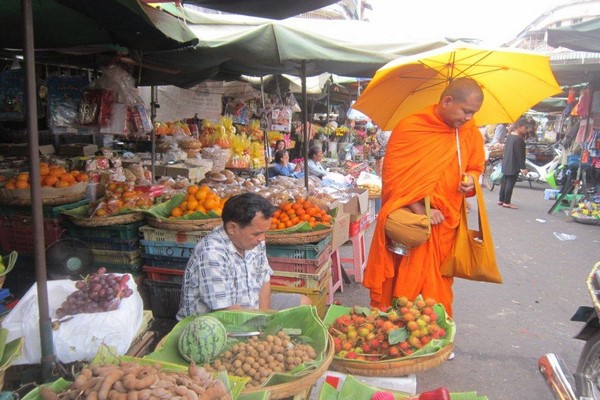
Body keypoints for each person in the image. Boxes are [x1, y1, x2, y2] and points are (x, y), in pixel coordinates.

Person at [362, 77, 486, 319]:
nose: (469, 118)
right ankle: (399, 328)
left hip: (446, 222)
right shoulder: (411, 127)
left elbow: (476, 167)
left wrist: (470, 180)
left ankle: (434, 331)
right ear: (447, 101)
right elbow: (394, 176)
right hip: (414, 223)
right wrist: (421, 208)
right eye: (466, 111)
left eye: (473, 113)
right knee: (404, 276)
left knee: (438, 280)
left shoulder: (469, 133)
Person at [177, 193, 311, 320]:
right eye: (257, 234)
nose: (262, 238)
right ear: (232, 228)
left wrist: (264, 317)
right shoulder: (211, 253)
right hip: (216, 320)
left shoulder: (255, 241)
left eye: (264, 232)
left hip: (250, 307)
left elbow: (264, 278)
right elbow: (226, 312)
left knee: (304, 305)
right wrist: (263, 320)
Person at [498, 118, 529, 209]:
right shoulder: (518, 140)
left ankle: (501, 199)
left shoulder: (510, 136)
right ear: (519, 127)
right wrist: (523, 167)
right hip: (513, 164)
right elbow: (520, 155)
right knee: (510, 183)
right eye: (525, 128)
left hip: (506, 161)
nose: (526, 130)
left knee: (504, 182)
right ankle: (507, 202)